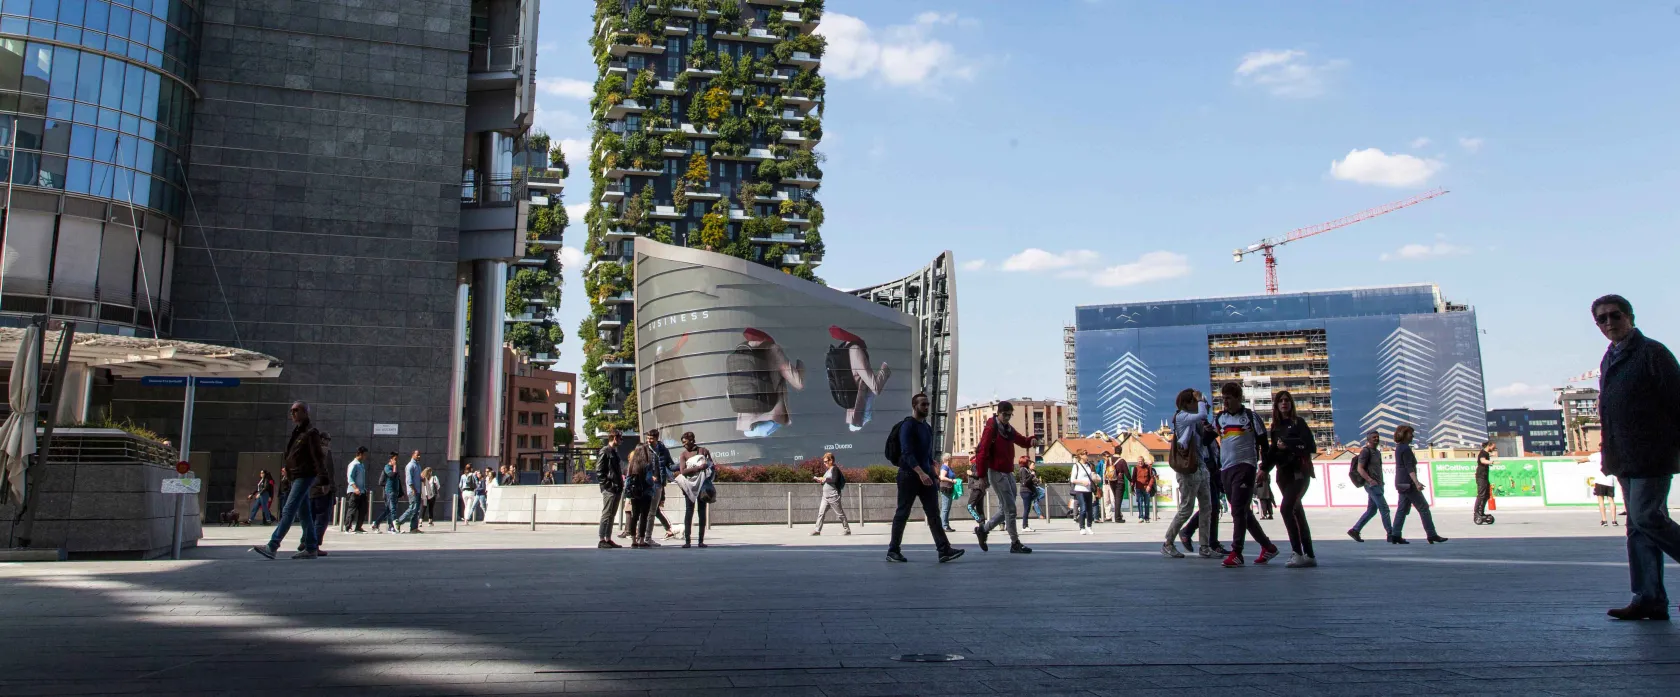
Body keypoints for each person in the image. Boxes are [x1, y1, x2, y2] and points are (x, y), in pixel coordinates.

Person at [1591, 295, 1680, 621]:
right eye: (1602, 319)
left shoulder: (1652, 353)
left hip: (1652, 453)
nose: (1609, 323)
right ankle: (1649, 598)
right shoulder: (1610, 358)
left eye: (1615, 315)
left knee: (1646, 517)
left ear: (1630, 316)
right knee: (1637, 528)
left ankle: (1649, 596)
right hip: (1623, 455)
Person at [886, 393, 964, 563]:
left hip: (927, 476)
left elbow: (927, 454)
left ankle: (944, 550)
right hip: (909, 475)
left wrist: (933, 473)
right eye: (923, 405)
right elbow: (907, 453)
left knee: (933, 513)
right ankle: (893, 551)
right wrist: (920, 473)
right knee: (903, 512)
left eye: (928, 404)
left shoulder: (927, 427)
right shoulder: (908, 425)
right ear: (914, 406)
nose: (926, 407)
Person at [1214, 382, 1279, 567]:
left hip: (1245, 467)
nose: (1225, 402)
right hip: (1225, 469)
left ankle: (1237, 552)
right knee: (1243, 511)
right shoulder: (1220, 418)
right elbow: (1207, 439)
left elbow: (1264, 444)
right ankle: (1268, 547)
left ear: (1238, 398)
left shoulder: (1250, 417)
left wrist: (1264, 468)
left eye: (1229, 398)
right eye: (1223, 398)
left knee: (1237, 511)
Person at [250, 402, 324, 559]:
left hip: (304, 476)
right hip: (296, 475)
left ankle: (272, 545)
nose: (293, 413)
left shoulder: (311, 433)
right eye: (291, 411)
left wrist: (323, 480)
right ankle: (311, 547)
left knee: (288, 510)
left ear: (305, 412)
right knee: (304, 513)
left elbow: (318, 457)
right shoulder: (298, 432)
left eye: (296, 410)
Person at [972, 401, 1040, 554]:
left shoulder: (1007, 429)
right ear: (999, 413)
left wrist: (1032, 440)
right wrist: (982, 476)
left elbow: (1022, 441)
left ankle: (983, 530)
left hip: (1007, 472)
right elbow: (982, 452)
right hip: (996, 472)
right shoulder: (991, 428)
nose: (1008, 417)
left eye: (1010, 415)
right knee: (1010, 509)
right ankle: (1015, 543)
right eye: (1005, 414)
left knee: (1006, 509)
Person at [1266, 390, 1318, 568]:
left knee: (1286, 508)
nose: (1284, 403)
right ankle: (1309, 555)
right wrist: (1263, 470)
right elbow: (1273, 452)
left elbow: (1310, 446)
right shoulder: (1275, 426)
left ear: (1291, 404)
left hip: (1299, 473)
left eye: (1287, 400)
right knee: (1297, 512)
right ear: (1276, 405)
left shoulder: (1299, 423)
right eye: (1280, 401)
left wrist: (1287, 445)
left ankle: (1297, 552)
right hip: (1283, 475)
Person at [1165, 388, 1215, 559]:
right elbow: (1202, 414)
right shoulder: (1182, 417)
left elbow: (1204, 421)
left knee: (1206, 507)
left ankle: (1205, 545)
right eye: (1195, 401)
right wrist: (1200, 398)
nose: (1200, 404)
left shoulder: (1194, 421)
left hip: (1201, 467)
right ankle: (1168, 542)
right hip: (1188, 471)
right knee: (1186, 509)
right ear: (1187, 403)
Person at [733, 328, 806, 437]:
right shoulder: (773, 350)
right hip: (770, 421)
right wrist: (801, 364)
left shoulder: (740, 355)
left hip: (746, 427)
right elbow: (798, 383)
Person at [1390, 425, 1447, 545]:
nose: (1413, 436)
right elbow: (1409, 467)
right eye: (1410, 433)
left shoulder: (1399, 448)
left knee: (1402, 509)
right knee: (1424, 508)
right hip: (1408, 483)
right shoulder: (1405, 449)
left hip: (1400, 482)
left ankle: (1395, 534)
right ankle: (1431, 534)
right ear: (1404, 434)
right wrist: (1416, 483)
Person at [829, 325, 893, 431]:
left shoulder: (845, 348)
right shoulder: (856, 350)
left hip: (855, 411)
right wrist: (887, 367)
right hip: (862, 412)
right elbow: (875, 387)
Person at [1347, 431, 1392, 543]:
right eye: (1373, 437)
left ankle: (1355, 530)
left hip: (1378, 485)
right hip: (1371, 485)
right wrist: (1370, 480)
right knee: (1384, 508)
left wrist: (1381, 482)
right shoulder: (1365, 452)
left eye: (1377, 437)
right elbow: (1360, 469)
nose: (1376, 439)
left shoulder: (1377, 452)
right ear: (1368, 439)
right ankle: (1391, 533)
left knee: (1372, 510)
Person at [675, 431, 714, 548]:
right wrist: (698, 468)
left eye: (685, 442)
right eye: (683, 443)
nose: (684, 445)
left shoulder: (703, 451)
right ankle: (687, 541)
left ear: (692, 440)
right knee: (689, 512)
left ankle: (701, 541)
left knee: (702, 512)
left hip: (702, 484)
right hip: (689, 486)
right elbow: (683, 471)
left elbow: (711, 465)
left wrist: (707, 466)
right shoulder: (683, 454)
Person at [306, 435, 336, 556]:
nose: (329, 442)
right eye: (328, 439)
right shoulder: (325, 451)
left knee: (310, 518)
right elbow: (329, 470)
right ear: (323, 440)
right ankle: (314, 545)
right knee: (321, 519)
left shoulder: (309, 452)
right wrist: (330, 487)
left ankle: (306, 542)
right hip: (323, 490)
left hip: (310, 489)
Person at [596, 430, 625, 549]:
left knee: (612, 514)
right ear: (614, 439)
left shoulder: (614, 452)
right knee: (607, 514)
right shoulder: (605, 451)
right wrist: (608, 485)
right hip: (610, 489)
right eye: (620, 439)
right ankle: (602, 539)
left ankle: (608, 538)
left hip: (616, 488)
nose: (621, 441)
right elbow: (599, 471)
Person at [811, 452, 852, 535]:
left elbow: (834, 480)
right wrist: (821, 481)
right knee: (821, 513)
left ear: (831, 460)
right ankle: (817, 530)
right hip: (825, 496)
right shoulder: (828, 471)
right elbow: (826, 482)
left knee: (840, 514)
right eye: (824, 462)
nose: (824, 463)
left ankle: (847, 529)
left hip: (833, 495)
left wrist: (824, 479)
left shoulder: (835, 469)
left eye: (826, 461)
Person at [393, 451, 425, 534]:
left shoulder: (418, 465)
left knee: (416, 510)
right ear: (413, 455)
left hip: (417, 490)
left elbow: (416, 477)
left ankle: (414, 528)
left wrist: (421, 479)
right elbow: (409, 480)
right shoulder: (410, 465)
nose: (419, 456)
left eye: (419, 455)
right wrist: (413, 489)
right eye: (417, 455)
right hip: (413, 491)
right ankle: (398, 521)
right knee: (413, 508)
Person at [372, 452, 401, 533]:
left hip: (395, 491)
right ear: (391, 459)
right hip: (390, 491)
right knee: (393, 509)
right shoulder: (387, 467)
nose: (396, 461)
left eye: (397, 459)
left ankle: (376, 523)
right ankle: (394, 528)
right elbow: (391, 475)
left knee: (388, 510)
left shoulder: (394, 467)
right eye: (395, 459)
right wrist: (394, 466)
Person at [1070, 454, 1097, 535]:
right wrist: (1082, 482)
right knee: (1083, 508)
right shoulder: (1076, 466)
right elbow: (1072, 479)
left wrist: (1095, 478)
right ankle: (1082, 527)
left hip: (1088, 490)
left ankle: (1089, 526)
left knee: (1090, 509)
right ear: (1080, 456)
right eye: (1085, 454)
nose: (1087, 456)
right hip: (1079, 489)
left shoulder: (1089, 465)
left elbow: (1091, 475)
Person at [343, 449, 368, 533]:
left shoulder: (361, 465)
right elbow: (350, 477)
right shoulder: (353, 464)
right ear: (360, 454)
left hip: (362, 491)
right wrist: (355, 488)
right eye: (364, 455)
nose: (365, 457)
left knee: (363, 510)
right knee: (352, 510)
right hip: (354, 491)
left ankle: (358, 527)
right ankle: (348, 527)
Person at [1017, 457, 1044, 532]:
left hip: (1028, 491)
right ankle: (1024, 526)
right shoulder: (1023, 470)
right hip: (1025, 491)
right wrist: (1032, 475)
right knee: (1026, 509)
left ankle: (1025, 525)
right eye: (1028, 461)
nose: (1029, 463)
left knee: (1027, 509)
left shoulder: (1025, 470)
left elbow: (1028, 481)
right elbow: (1025, 482)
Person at [1474, 441, 1496, 525]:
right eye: (1493, 447)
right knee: (1481, 495)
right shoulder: (1483, 453)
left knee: (1487, 495)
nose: (1494, 448)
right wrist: (1491, 462)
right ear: (1489, 446)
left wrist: (1491, 456)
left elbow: (1486, 456)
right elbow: (1482, 460)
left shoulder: (1486, 453)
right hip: (1481, 477)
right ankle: (1476, 513)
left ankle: (1481, 512)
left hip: (1485, 477)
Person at [936, 455, 958, 532]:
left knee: (947, 508)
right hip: (945, 489)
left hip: (949, 489)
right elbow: (942, 477)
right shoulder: (944, 467)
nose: (952, 460)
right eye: (951, 458)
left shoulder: (948, 467)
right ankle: (944, 526)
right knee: (945, 508)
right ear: (948, 459)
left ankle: (946, 525)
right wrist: (952, 480)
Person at [1131, 456, 1156, 523]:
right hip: (1139, 488)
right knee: (1139, 502)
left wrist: (1149, 486)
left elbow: (1152, 478)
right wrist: (1132, 488)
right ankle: (1141, 517)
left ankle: (1147, 517)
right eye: (1139, 461)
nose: (1140, 463)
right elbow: (1133, 479)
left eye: (1141, 461)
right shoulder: (1135, 468)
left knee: (1147, 503)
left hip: (1146, 488)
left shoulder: (1148, 467)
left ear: (1143, 461)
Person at [1106, 455, 1129, 524]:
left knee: (1116, 499)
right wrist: (1131, 480)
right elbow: (1126, 472)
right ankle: (1117, 517)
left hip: (1111, 481)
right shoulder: (1122, 461)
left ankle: (1118, 516)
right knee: (1118, 500)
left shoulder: (1109, 460)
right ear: (1121, 451)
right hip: (1119, 481)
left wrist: (1106, 480)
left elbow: (1106, 470)